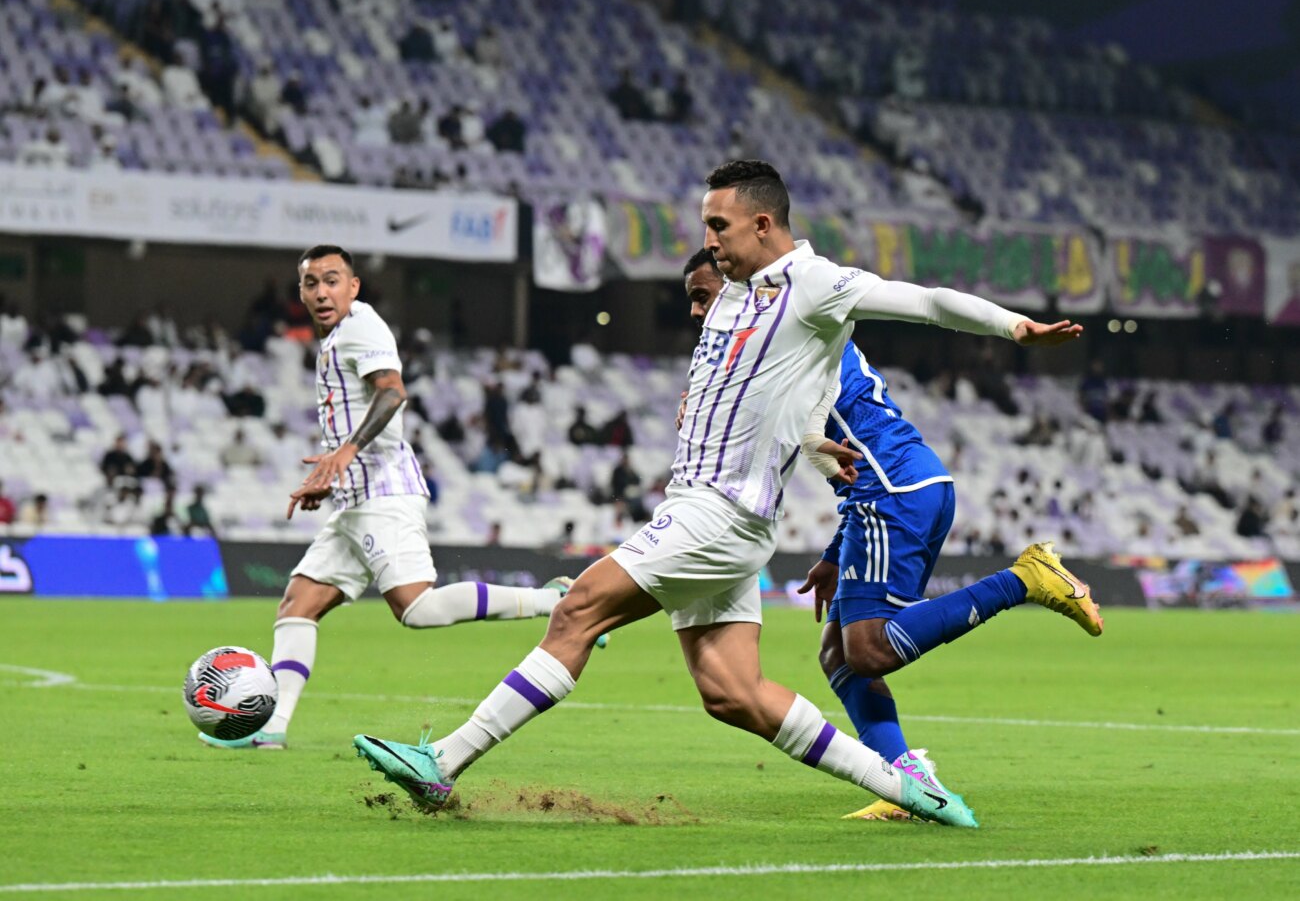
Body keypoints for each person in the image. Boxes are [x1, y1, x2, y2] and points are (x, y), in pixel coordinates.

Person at [354, 161, 1095, 825]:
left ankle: (442, 763)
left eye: (719, 224)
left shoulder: (815, 284)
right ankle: (913, 789)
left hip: (719, 514)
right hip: (717, 515)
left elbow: (926, 301)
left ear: (763, 222)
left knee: (579, 607)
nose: (709, 239)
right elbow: (788, 397)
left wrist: (1016, 327)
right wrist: (807, 441)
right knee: (732, 691)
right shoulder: (733, 299)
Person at [682, 246, 1101, 822]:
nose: (699, 312)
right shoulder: (771, 347)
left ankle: (1024, 579)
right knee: (838, 655)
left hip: (895, 491)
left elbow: (811, 427)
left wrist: (1013, 326)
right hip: (896, 489)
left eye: (706, 294)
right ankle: (906, 781)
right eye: (693, 301)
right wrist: (835, 553)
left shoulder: (798, 327)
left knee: (868, 649)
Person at [199, 245, 573, 751]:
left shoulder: (361, 325)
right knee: (297, 605)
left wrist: (346, 452)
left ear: (354, 287)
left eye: (332, 280)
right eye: (311, 283)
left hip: (384, 492)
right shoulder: (335, 340)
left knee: (415, 608)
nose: (321, 291)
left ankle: (554, 601)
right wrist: (331, 474)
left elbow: (393, 392)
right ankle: (273, 727)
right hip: (353, 498)